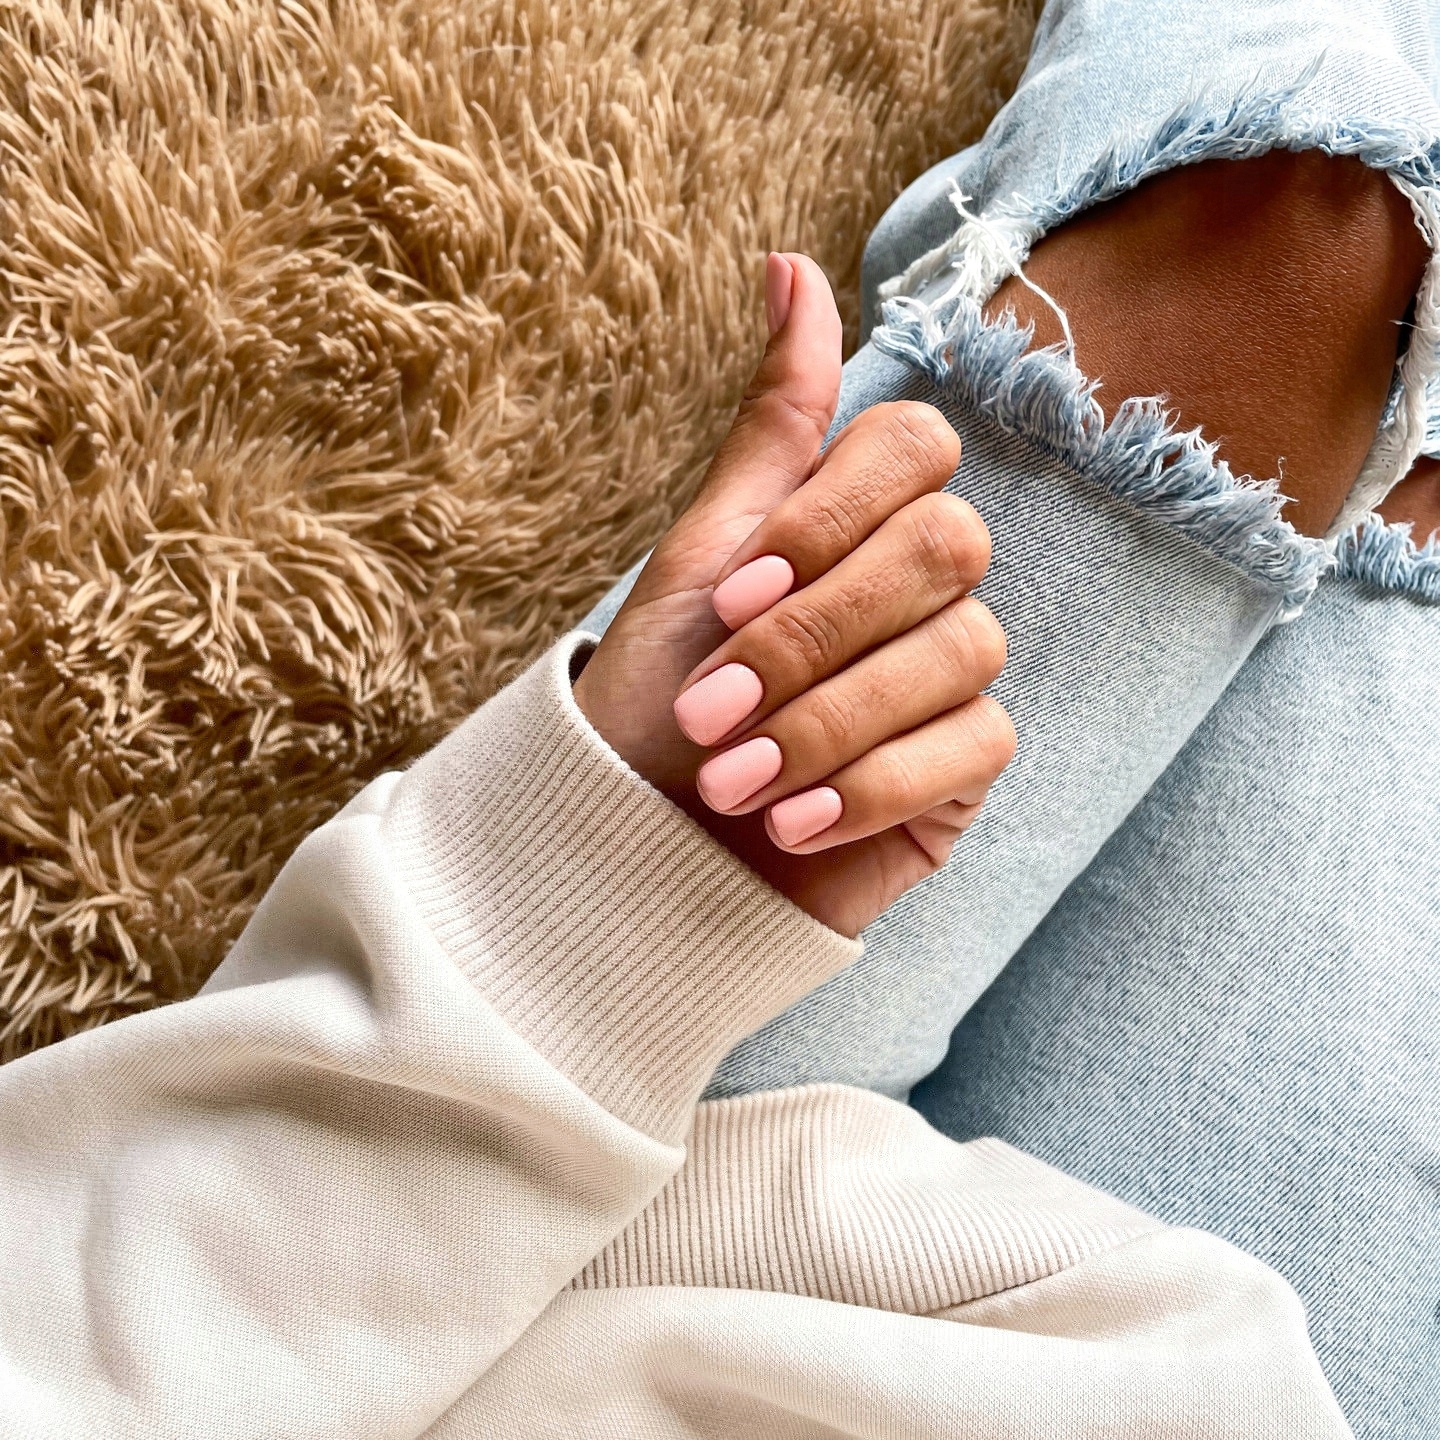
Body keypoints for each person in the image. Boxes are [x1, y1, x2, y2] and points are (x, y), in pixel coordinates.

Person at [2, 3, 1437, 1438]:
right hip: (1245, 1392)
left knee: (1297, 215)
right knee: (1378, 422)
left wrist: (585, 925)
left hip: (472, 1220)